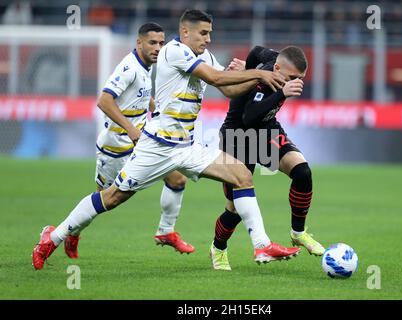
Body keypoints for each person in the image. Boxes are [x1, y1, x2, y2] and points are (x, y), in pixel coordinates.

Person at [32, 9, 299, 271]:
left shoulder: (204, 55)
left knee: (242, 175)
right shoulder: (174, 51)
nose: (208, 39)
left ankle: (261, 245)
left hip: (187, 147)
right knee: (113, 197)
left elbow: (228, 89)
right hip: (157, 147)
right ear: (185, 32)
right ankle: (53, 238)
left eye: (210, 34)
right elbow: (216, 77)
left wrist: (257, 80)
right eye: (203, 33)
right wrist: (259, 73)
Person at [56, 22, 195, 263]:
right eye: (152, 43)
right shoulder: (129, 68)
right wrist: (130, 129)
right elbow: (104, 101)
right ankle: (71, 231)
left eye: (161, 43)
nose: (158, 48)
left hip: (142, 141)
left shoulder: (148, 67)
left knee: (177, 178)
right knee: (104, 199)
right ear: (138, 43)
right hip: (115, 147)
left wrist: (156, 108)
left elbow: (140, 97)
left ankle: (165, 231)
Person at [209, 45, 325, 270]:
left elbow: (255, 51)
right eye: (292, 77)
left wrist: (249, 68)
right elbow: (249, 116)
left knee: (302, 172)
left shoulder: (272, 59)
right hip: (238, 137)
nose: (296, 82)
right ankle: (218, 247)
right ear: (278, 68)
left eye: (300, 78)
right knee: (235, 209)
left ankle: (298, 233)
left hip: (266, 131)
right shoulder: (263, 84)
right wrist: (276, 89)